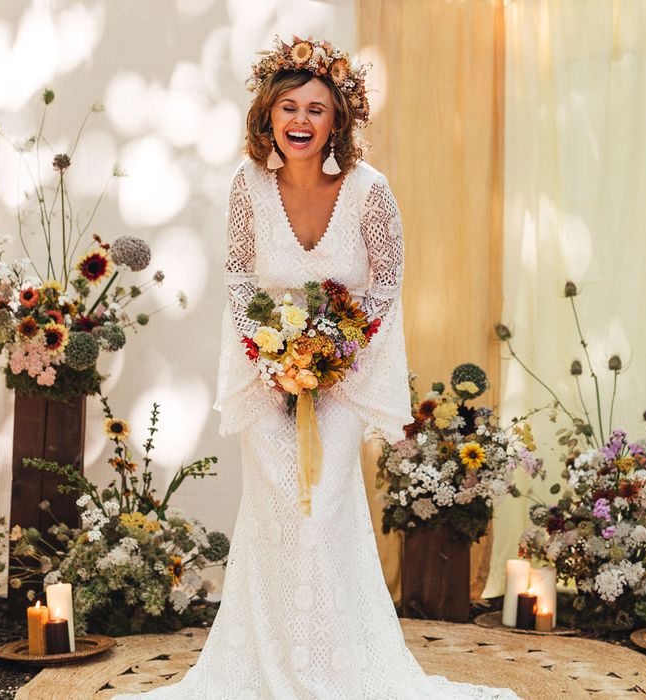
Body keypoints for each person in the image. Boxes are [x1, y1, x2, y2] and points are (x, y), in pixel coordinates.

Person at [113, 36, 520, 700]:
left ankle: (330, 666)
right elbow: (242, 277)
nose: (301, 121)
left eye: (317, 110)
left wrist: (335, 358)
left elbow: (387, 281)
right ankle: (269, 660)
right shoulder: (249, 185)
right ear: (268, 115)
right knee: (274, 517)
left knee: (320, 514)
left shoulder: (368, 190)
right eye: (289, 107)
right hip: (269, 379)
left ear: (339, 122)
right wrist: (269, 356)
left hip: (339, 383)